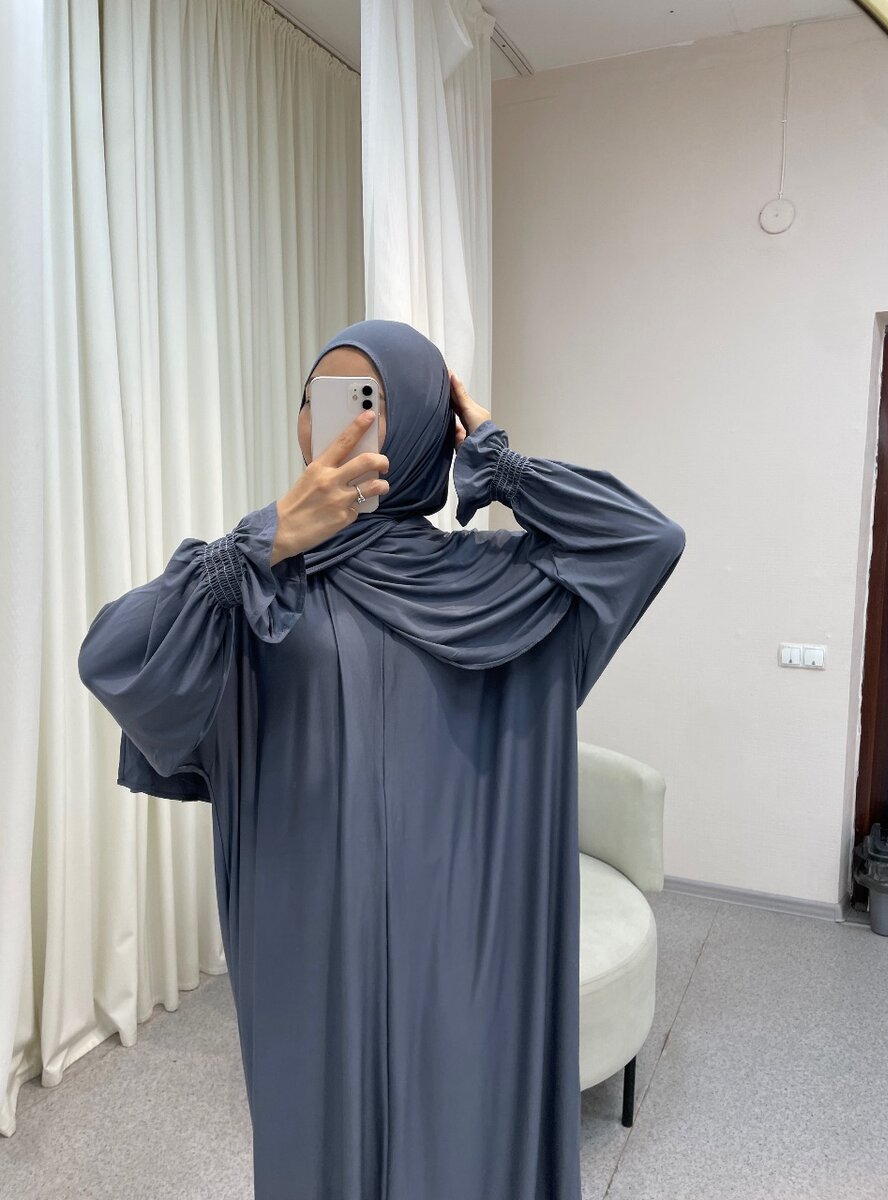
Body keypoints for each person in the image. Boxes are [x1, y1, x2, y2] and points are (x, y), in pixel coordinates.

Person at [78, 318, 686, 1200]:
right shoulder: (257, 584)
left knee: (462, 1135)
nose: (340, 422)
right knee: (319, 1143)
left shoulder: (500, 583)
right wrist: (263, 540)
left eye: (371, 403)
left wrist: (502, 465)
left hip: (467, 928)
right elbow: (112, 657)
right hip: (309, 939)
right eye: (321, 400)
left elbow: (647, 541)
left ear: (426, 427)